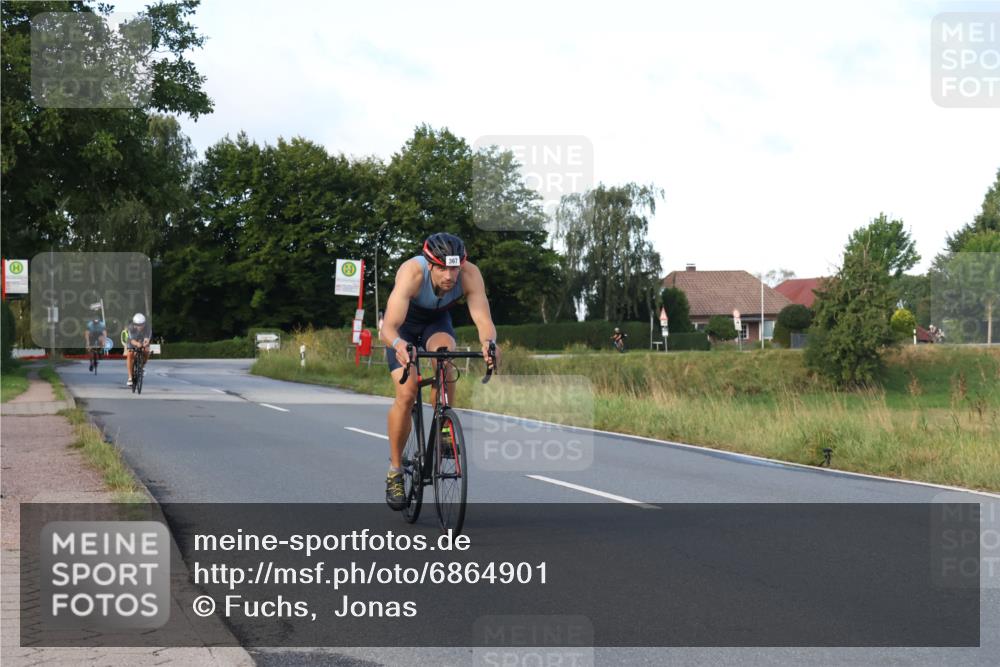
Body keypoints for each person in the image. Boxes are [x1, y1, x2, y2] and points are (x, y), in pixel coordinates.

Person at [379, 233, 499, 510]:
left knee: (445, 360)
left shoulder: (470, 275)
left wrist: (488, 343)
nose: (450, 275)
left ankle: (444, 425)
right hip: (403, 327)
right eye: (443, 267)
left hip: (436, 323)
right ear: (430, 264)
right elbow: (388, 328)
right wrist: (399, 346)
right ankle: (395, 470)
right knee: (407, 395)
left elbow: (483, 319)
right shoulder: (412, 273)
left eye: (454, 267)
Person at [125, 313, 151, 386]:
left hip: (142, 339)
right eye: (137, 325)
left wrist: (145, 343)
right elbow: (132, 340)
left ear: (144, 323)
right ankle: (130, 378)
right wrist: (137, 344)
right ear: (134, 324)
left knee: (146, 350)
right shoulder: (131, 327)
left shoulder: (148, 328)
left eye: (141, 325)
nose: (139, 327)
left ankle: (141, 367)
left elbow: (147, 339)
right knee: (130, 354)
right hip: (132, 340)